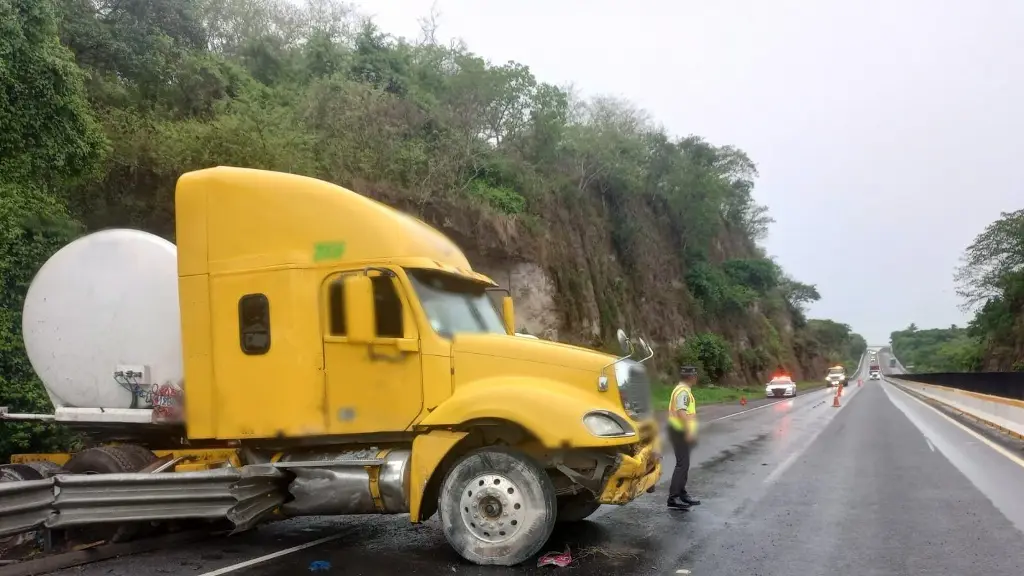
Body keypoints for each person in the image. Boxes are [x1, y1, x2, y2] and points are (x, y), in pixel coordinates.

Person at [666, 366, 702, 510]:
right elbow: (681, 412)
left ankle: (682, 493)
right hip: (679, 431)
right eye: (695, 375)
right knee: (682, 465)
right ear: (690, 377)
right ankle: (673, 498)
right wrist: (688, 431)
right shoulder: (683, 392)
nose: (696, 378)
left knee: (684, 464)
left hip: (679, 431)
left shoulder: (682, 389)